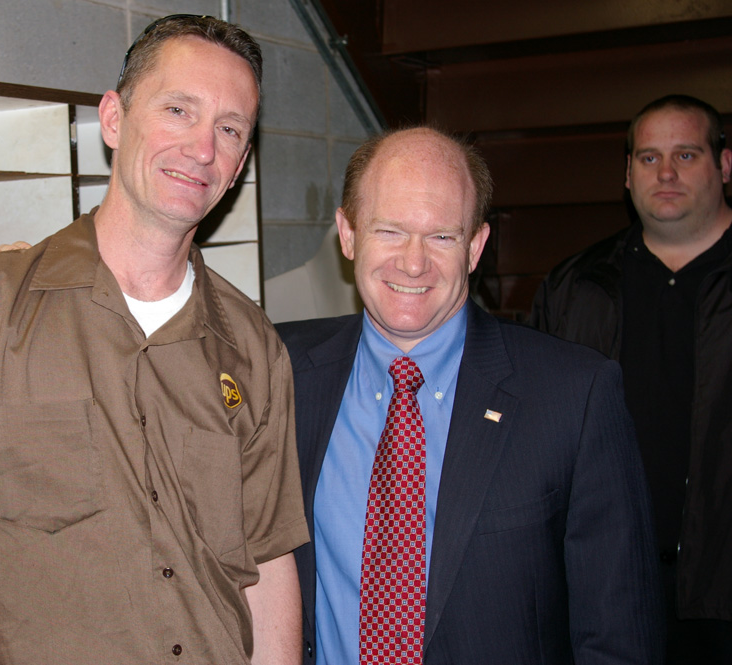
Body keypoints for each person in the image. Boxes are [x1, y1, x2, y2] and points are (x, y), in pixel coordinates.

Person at [0, 15, 309, 665]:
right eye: (179, 109)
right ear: (114, 120)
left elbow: (268, 559)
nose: (203, 147)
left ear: (238, 165)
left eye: (230, 129)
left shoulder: (253, 343)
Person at [276, 126, 664, 664]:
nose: (413, 263)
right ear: (347, 234)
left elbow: (620, 637)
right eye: (389, 231)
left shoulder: (575, 396)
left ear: (476, 246)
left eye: (442, 236)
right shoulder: (279, 371)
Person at [531, 94, 732, 663]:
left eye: (686, 154)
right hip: (607, 585)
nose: (665, 173)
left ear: (724, 164)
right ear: (627, 174)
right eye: (648, 158)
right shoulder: (576, 287)